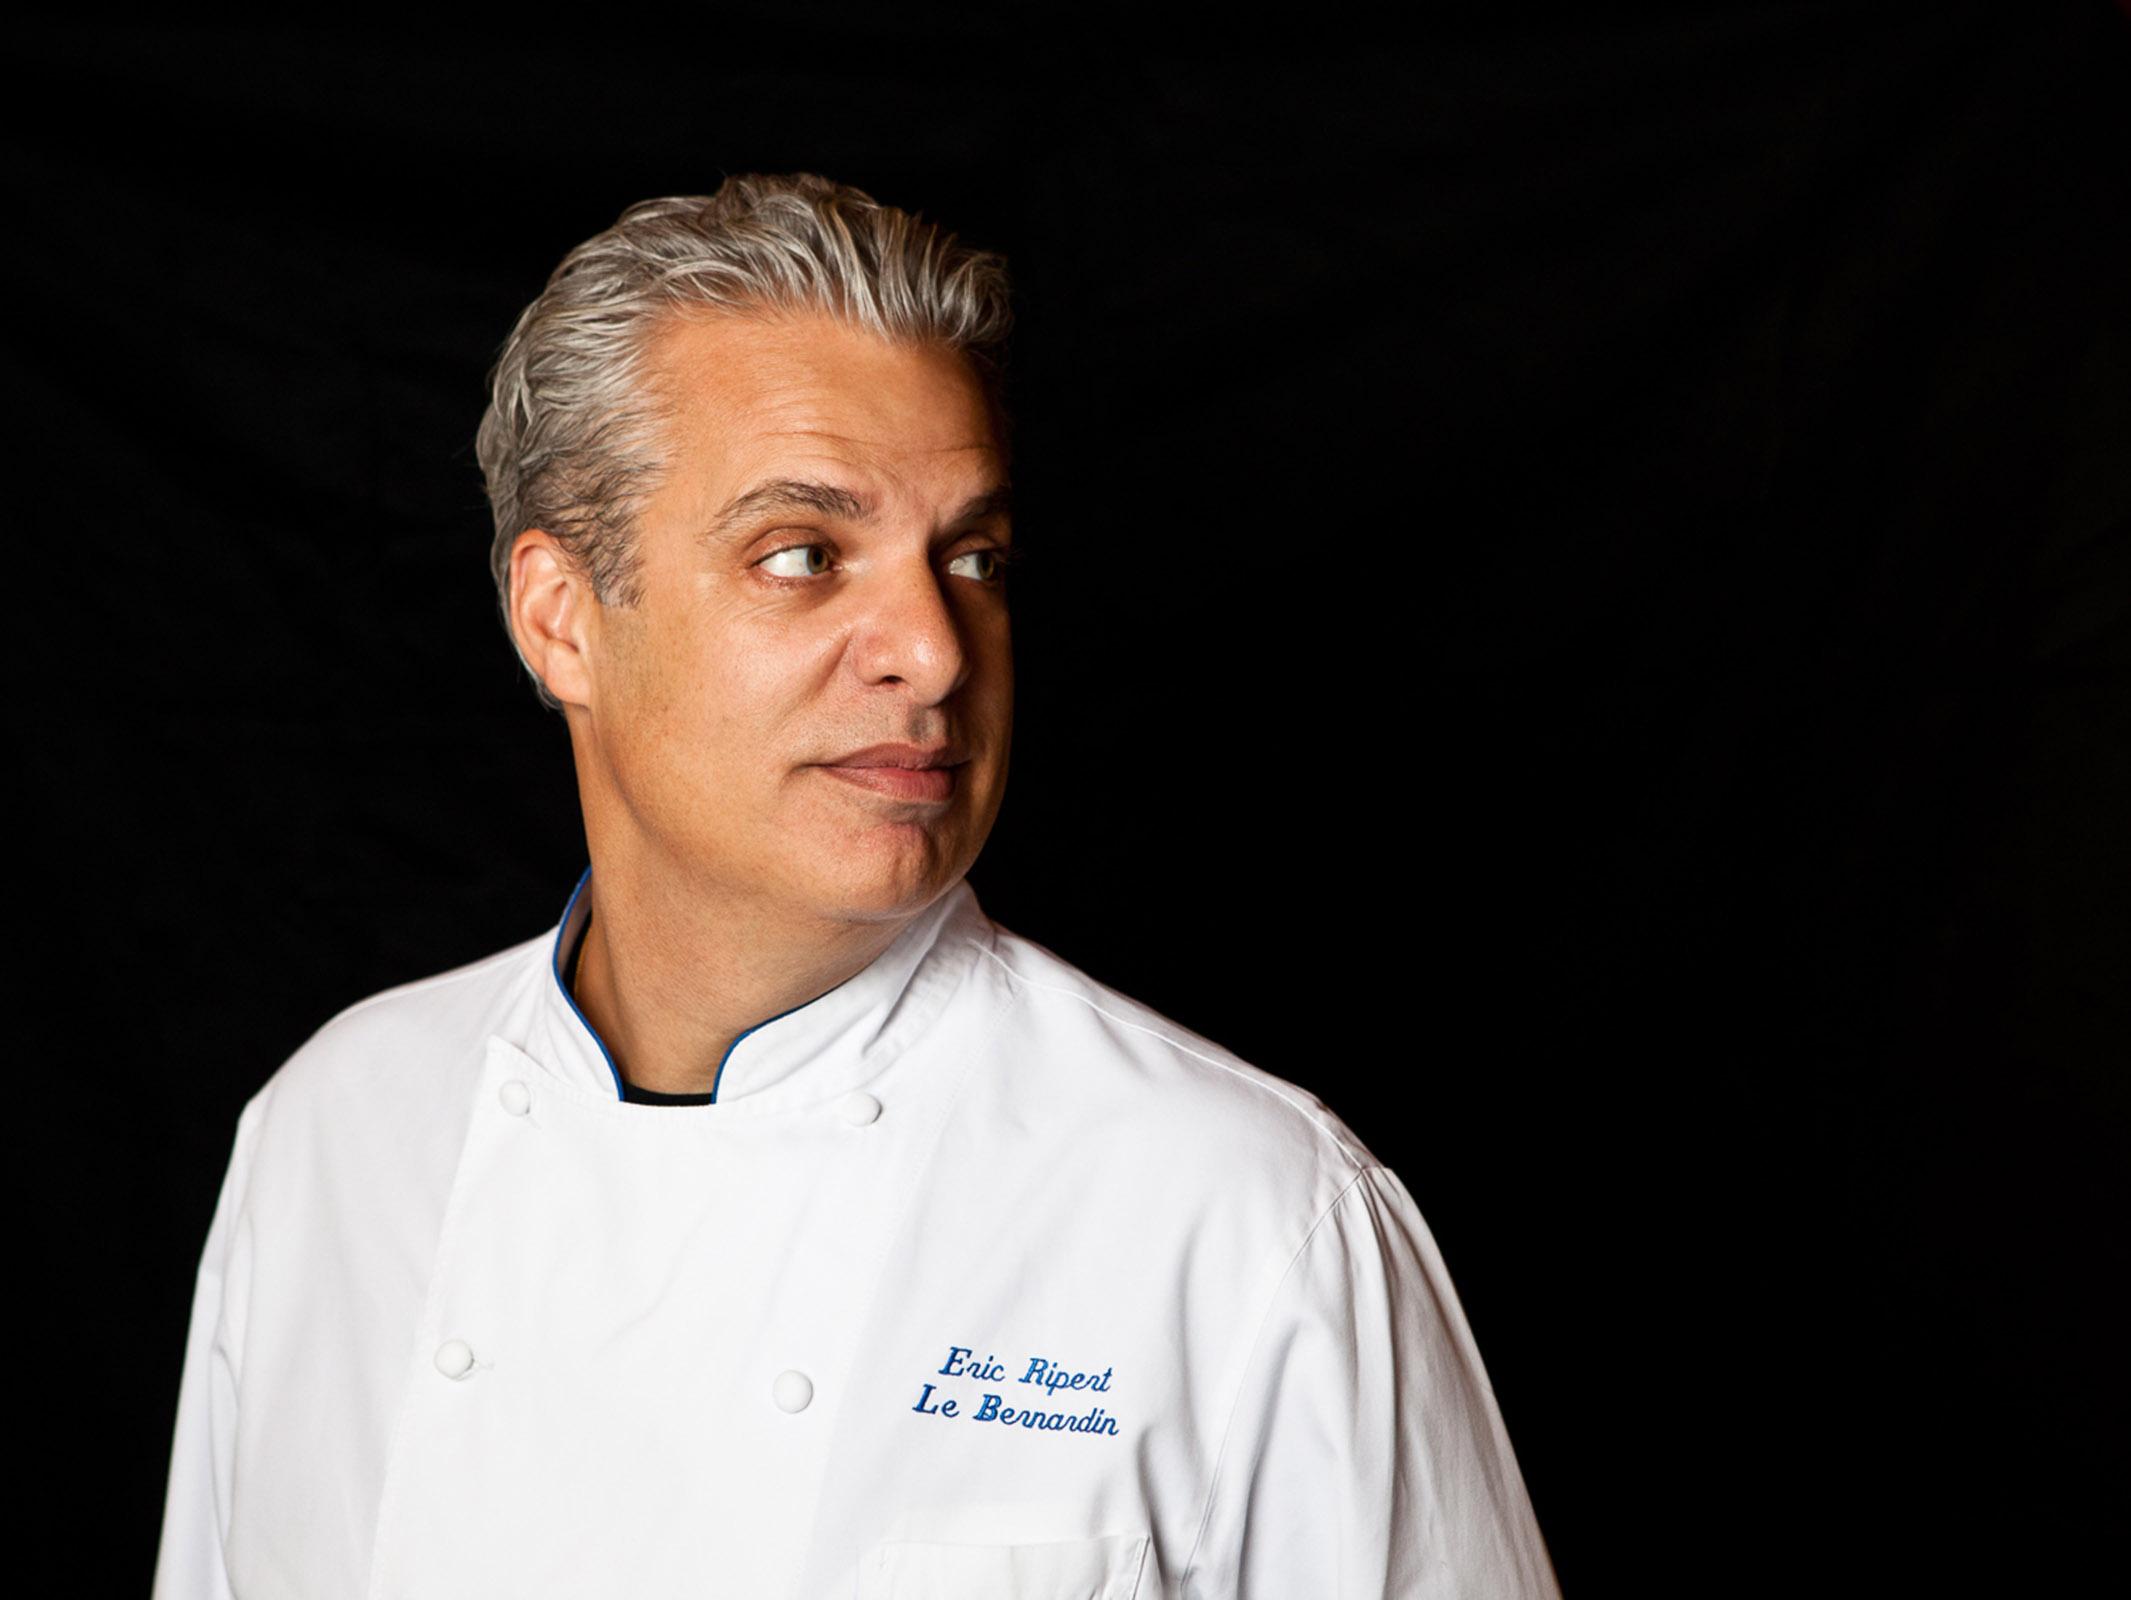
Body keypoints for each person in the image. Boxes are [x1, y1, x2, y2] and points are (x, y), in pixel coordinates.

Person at [151, 173, 1560, 1600]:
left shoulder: (1250, 1218)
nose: (937, 654)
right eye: (805, 556)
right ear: (560, 618)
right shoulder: (334, 1136)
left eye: (975, 558)